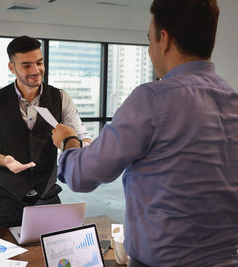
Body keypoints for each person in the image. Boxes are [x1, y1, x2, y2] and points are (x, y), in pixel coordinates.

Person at [52, 0, 238, 266]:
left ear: (164, 39)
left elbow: (84, 175)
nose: (150, 50)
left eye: (149, 40)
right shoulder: (233, 100)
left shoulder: (153, 98)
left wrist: (69, 142)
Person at [0, 35, 91, 227]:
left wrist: (73, 148)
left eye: (39, 63)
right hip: (9, 199)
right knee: (9, 255)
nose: (36, 71)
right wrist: (4, 160)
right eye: (27, 65)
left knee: (53, 254)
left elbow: (83, 138)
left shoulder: (61, 98)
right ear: (12, 68)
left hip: (49, 196)